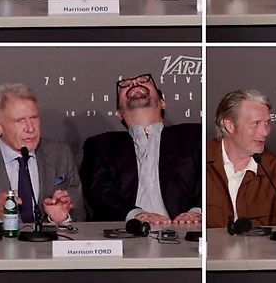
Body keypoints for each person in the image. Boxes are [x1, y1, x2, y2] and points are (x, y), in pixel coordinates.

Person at [0, 83, 84, 225]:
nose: (30, 128)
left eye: (33, 118)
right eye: (19, 120)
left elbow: (80, 214)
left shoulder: (60, 154)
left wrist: (61, 218)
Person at [80, 73, 201, 224]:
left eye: (143, 81)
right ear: (119, 113)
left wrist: (197, 211)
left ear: (163, 103)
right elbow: (99, 192)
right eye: (125, 84)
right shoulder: (100, 145)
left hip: (186, 230)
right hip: (128, 230)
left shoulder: (194, 136)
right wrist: (135, 215)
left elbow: (209, 181)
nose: (134, 83)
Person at [206, 89, 276, 228]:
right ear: (229, 126)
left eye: (267, 123)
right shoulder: (200, 160)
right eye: (256, 124)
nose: (264, 132)